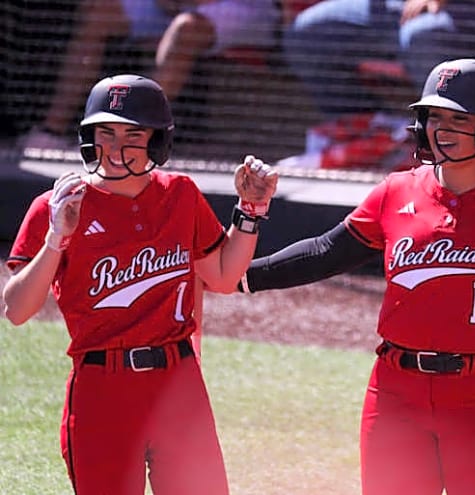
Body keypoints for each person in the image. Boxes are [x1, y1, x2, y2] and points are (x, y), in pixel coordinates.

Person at [240, 58, 475, 495]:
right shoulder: (398, 190)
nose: (443, 130)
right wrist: (237, 277)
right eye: (435, 116)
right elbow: (326, 252)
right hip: (396, 389)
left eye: (459, 118)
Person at [2, 74, 279, 494]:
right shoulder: (56, 205)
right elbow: (17, 310)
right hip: (102, 388)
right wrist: (57, 237)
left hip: (177, 382)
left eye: (133, 135)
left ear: (156, 141)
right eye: (105, 133)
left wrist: (251, 209)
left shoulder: (180, 194)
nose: (115, 148)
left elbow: (222, 276)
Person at [20, 0, 281, 150]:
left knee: (186, 29)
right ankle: (50, 132)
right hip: (169, 5)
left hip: (241, 7)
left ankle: (133, 139)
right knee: (99, 12)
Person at [281, 0, 475, 117]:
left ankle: (447, 143)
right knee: (307, 35)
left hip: (463, 10)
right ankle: (371, 130)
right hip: (391, 8)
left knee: (421, 36)